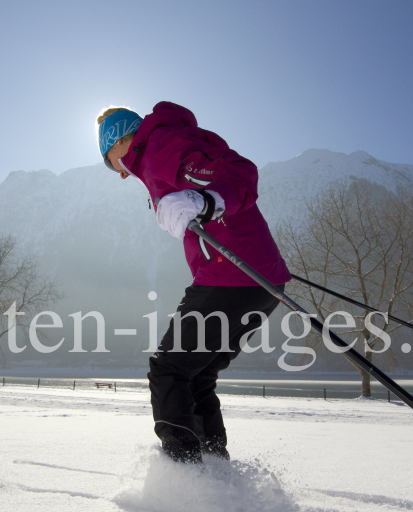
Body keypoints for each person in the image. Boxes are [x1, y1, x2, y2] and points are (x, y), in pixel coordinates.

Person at [97, 102, 291, 464]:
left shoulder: (160, 145)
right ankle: (215, 472)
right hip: (257, 280)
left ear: (120, 140)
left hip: (233, 273)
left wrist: (205, 200)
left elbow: (240, 172)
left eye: (112, 162)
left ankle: (185, 477)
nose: (120, 174)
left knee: (168, 369)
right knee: (197, 375)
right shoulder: (157, 154)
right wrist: (199, 201)